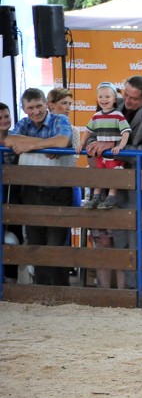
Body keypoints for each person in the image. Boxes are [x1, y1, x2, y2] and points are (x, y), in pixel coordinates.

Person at [86, 75, 142, 289]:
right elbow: (97, 130)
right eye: (125, 95)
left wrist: (113, 149)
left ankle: (141, 293)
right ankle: (122, 294)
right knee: (117, 243)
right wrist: (94, 143)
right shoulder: (114, 104)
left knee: (138, 245)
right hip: (114, 186)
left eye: (134, 99)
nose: (127, 101)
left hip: (140, 188)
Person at [5, 89, 74, 286]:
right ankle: (42, 290)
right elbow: (8, 140)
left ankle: (60, 290)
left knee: (55, 243)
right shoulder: (24, 123)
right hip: (31, 190)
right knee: (35, 242)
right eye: (30, 108)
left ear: (47, 104)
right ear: (24, 109)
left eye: (39, 106)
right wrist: (46, 146)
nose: (36, 111)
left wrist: (30, 145)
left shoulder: (60, 120)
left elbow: (63, 141)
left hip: (58, 189)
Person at [76, 82, 131, 210]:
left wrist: (120, 146)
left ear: (114, 100)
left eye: (107, 97)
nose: (103, 100)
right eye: (100, 97)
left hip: (113, 154)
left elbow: (126, 132)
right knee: (99, 174)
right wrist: (81, 144)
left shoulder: (118, 115)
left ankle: (111, 197)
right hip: (101, 154)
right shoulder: (96, 116)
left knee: (113, 175)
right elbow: (88, 131)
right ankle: (96, 197)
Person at [1, 102, 24, 283]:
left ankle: (11, 282)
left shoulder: (19, 139)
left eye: (7, 116)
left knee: (14, 239)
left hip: (15, 196)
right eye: (0, 118)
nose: (4, 120)